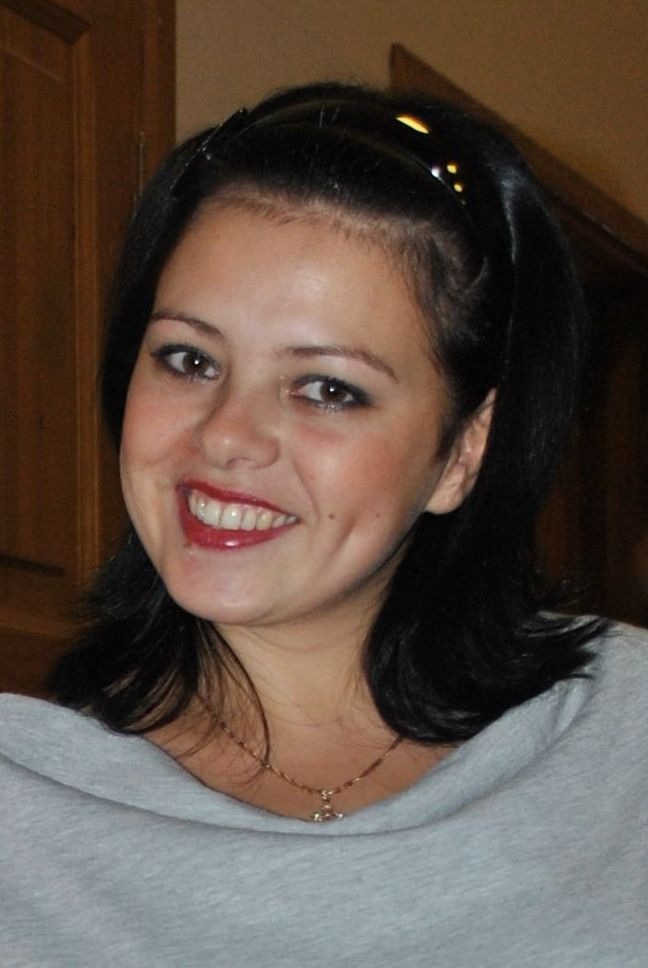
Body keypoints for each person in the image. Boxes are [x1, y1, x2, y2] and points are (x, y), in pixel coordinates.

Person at [1, 82, 646, 967]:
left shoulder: (623, 737)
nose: (225, 436)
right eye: (189, 359)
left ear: (462, 451)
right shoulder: (22, 809)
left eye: (328, 388)